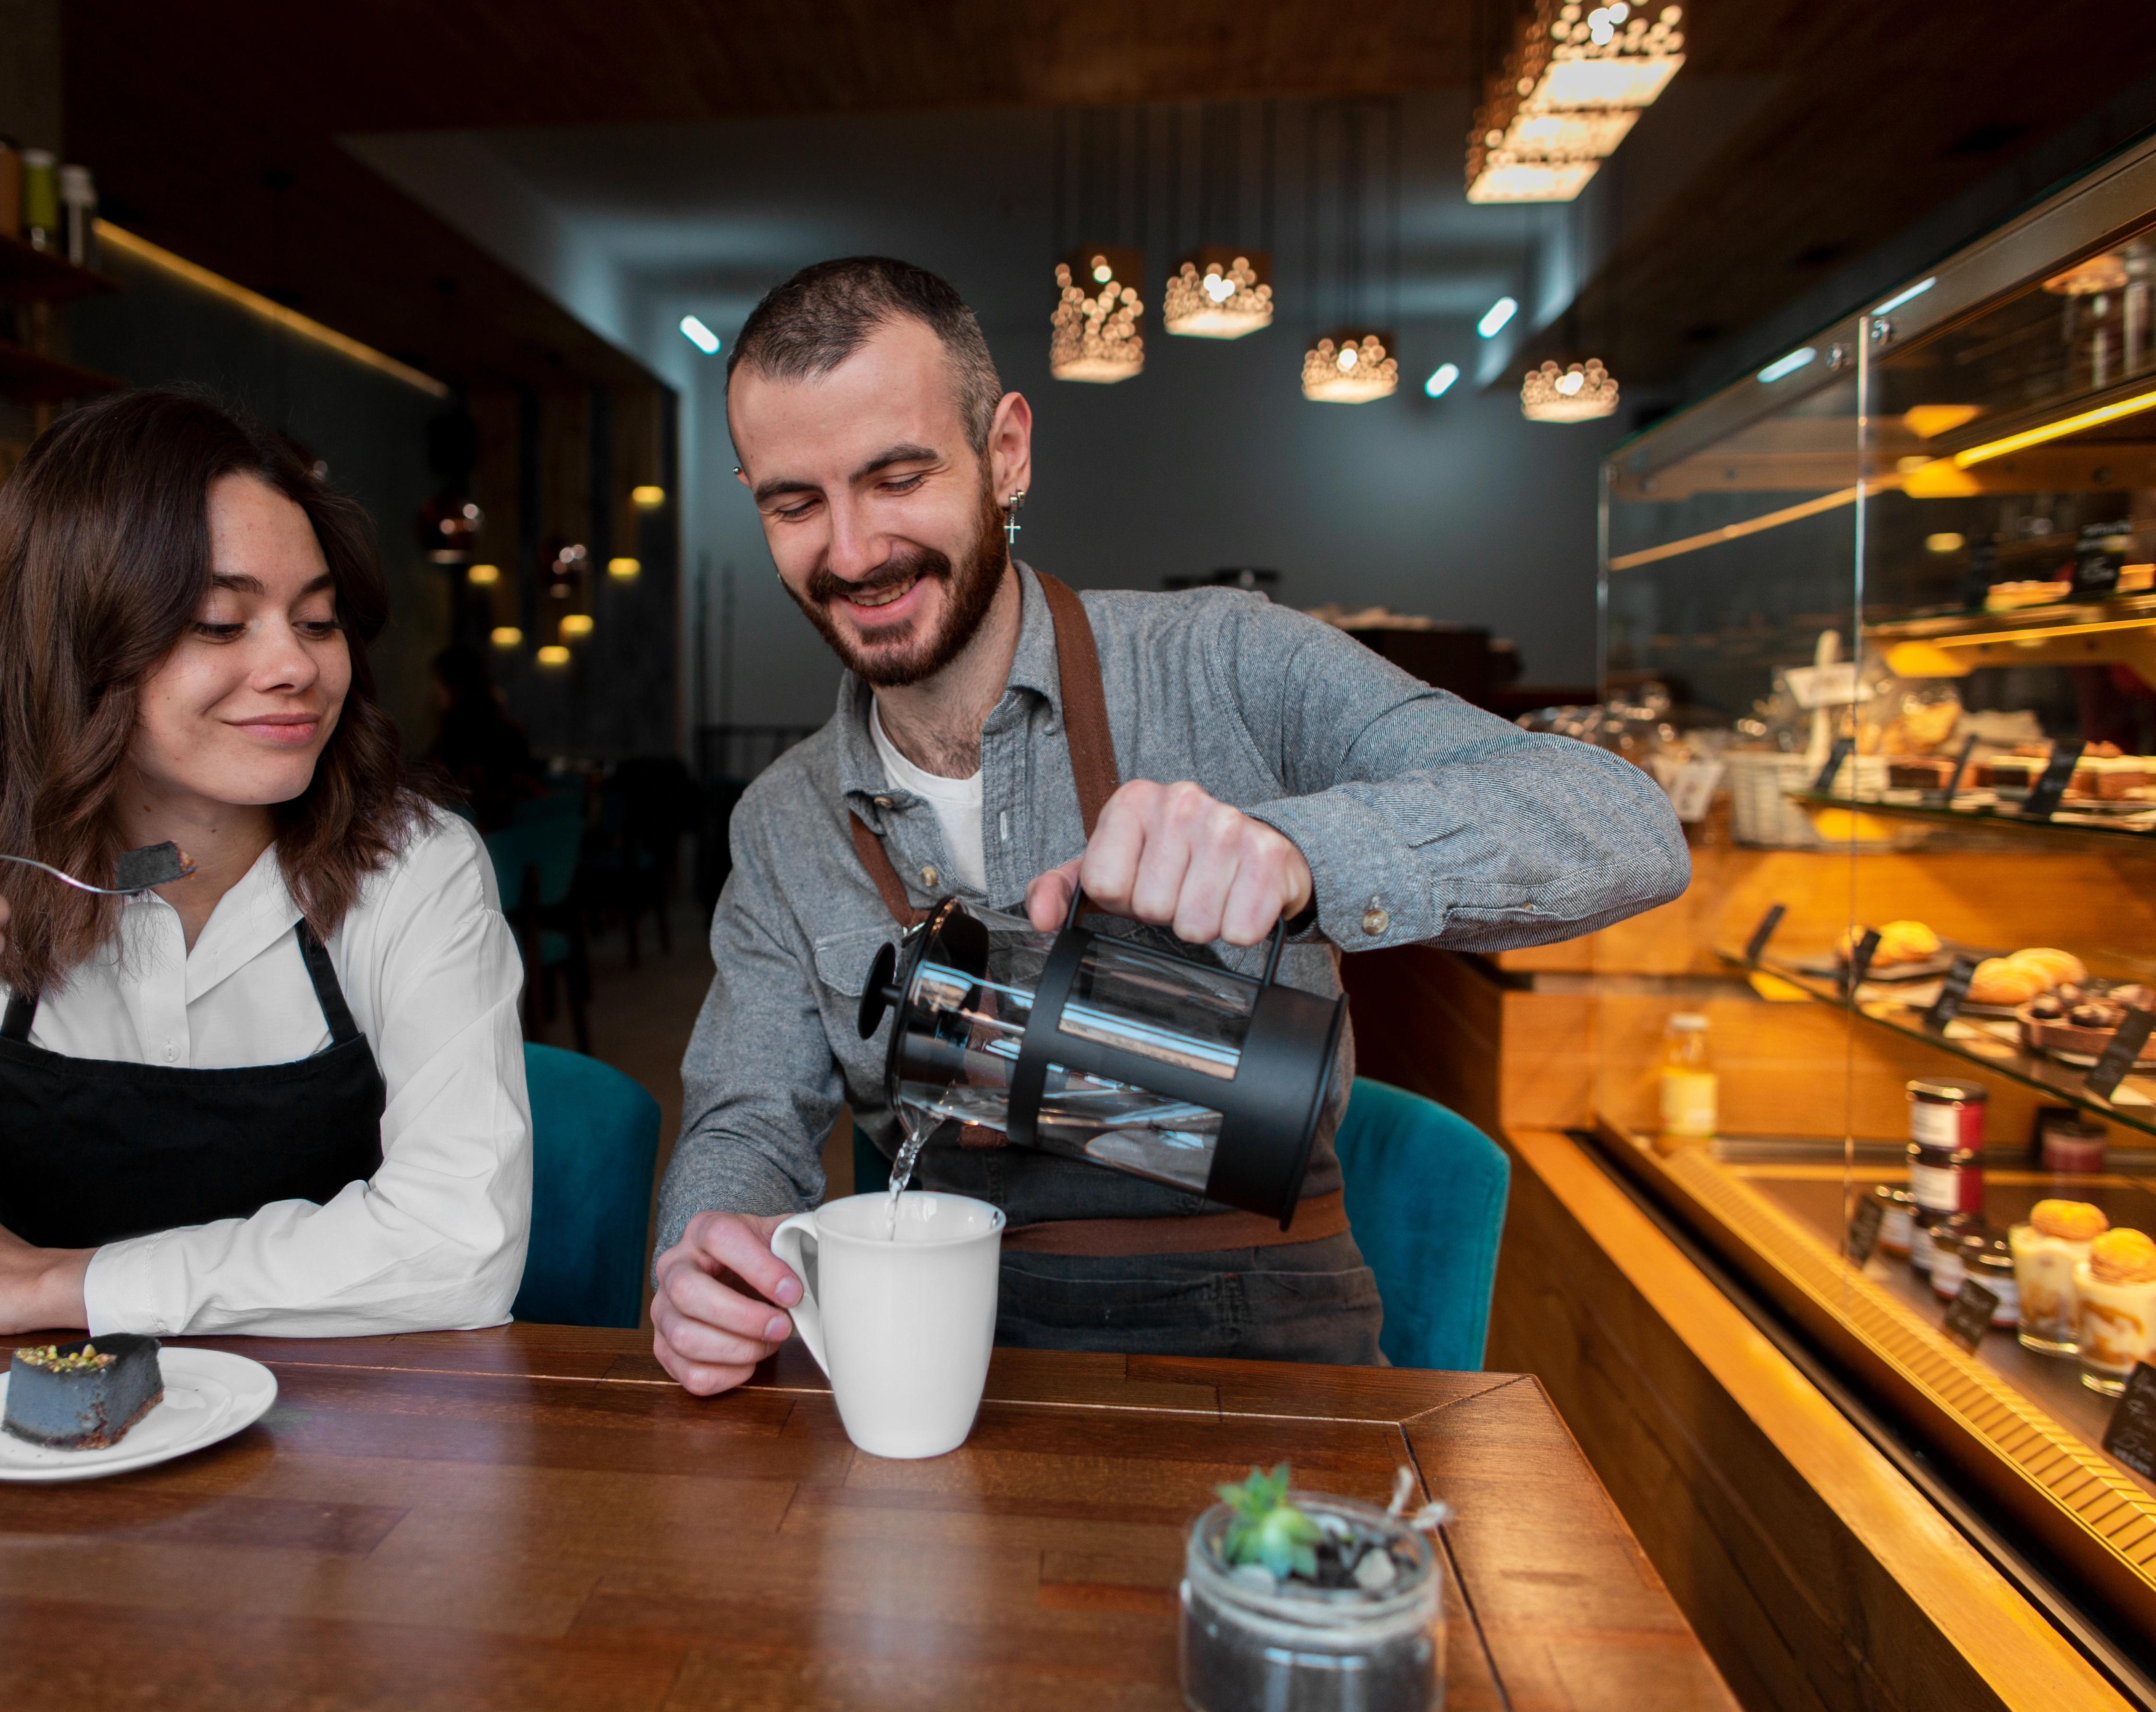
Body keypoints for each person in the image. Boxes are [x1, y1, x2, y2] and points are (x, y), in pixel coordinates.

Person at [648, 257, 1689, 1393]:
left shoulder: (1229, 663)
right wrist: (713, 1247)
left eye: (897, 477)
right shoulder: (782, 821)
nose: (850, 553)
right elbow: (748, 1116)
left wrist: (1299, 853)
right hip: (934, 1365)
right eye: (795, 502)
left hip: (1263, 1348)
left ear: (1005, 453)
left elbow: (1624, 823)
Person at [0, 386, 532, 1353]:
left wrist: (52, 1282)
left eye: (316, 622)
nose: (297, 667)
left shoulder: (411, 866)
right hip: (29, 1447)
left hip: (347, 1448)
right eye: (219, 624)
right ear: (76, 645)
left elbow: (459, 1243)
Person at [428, 640, 541, 830]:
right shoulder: (508, 730)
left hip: (482, 837)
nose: (433, 688)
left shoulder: (461, 738)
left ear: (457, 686)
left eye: (438, 679)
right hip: (519, 841)